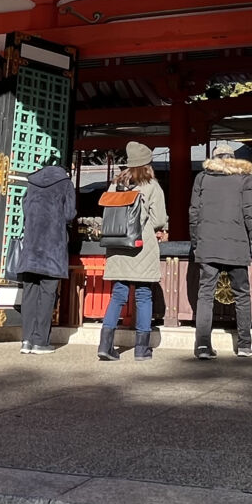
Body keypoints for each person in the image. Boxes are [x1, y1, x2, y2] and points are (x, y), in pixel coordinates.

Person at [190, 140, 252, 358]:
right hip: (237, 246)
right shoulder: (245, 178)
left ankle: (202, 346)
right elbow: (251, 212)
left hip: (208, 245)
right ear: (232, 158)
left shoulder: (201, 178)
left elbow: (193, 213)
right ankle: (245, 344)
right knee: (242, 294)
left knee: (205, 295)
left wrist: (196, 242)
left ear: (214, 159)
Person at [98, 141, 166, 361]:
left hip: (117, 245)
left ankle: (105, 345)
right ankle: (141, 349)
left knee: (118, 294)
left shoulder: (114, 185)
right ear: (147, 163)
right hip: (140, 245)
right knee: (144, 295)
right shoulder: (151, 185)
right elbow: (158, 220)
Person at [13, 157, 74, 356]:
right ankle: (40, 341)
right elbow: (69, 214)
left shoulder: (31, 182)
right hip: (52, 247)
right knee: (48, 294)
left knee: (29, 294)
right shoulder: (65, 183)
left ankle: (26, 340)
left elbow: (25, 209)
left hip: (31, 245)